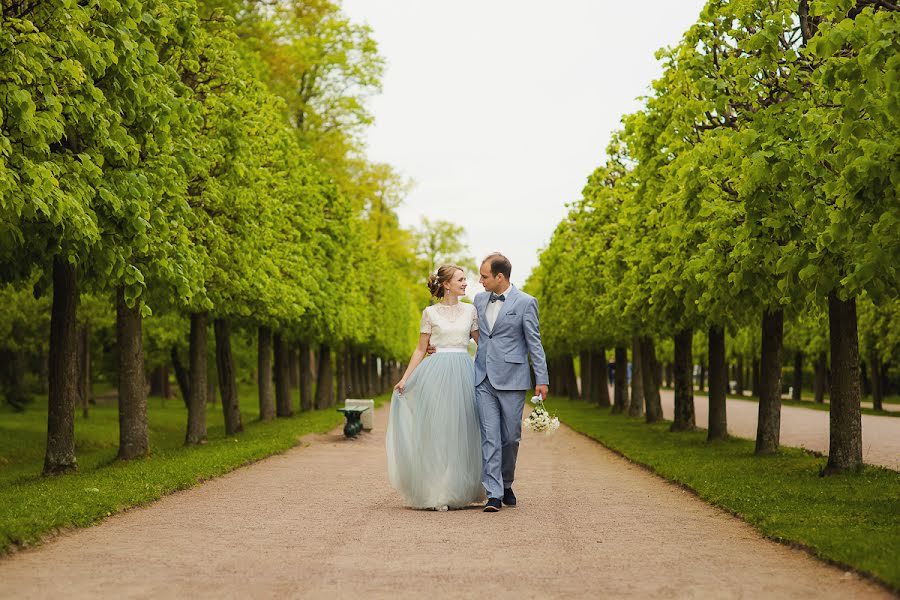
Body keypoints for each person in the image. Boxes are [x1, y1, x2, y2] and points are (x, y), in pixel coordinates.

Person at [386, 265, 484, 511]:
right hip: (436, 374)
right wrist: (405, 378)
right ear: (447, 284)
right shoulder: (429, 313)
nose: (465, 283)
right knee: (437, 431)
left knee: (463, 430)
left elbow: (482, 343)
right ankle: (437, 490)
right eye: (461, 279)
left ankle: (460, 488)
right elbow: (421, 348)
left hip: (464, 371)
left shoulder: (471, 310)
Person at [473, 253, 549, 512]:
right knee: (490, 437)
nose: (480, 281)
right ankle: (493, 493)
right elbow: (473, 333)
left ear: (500, 277)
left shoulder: (527, 303)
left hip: (513, 379)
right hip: (483, 377)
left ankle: (506, 483)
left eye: (484, 276)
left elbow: (534, 343)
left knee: (510, 438)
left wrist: (542, 379)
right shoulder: (479, 299)